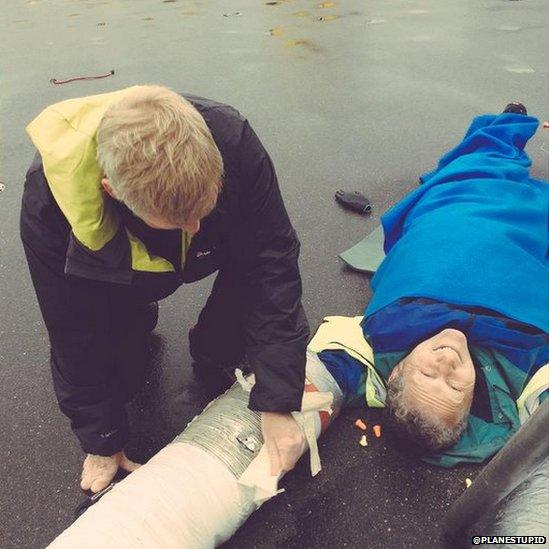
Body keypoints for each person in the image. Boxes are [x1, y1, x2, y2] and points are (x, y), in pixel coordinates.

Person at [20, 85, 309, 492]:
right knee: (116, 341)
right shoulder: (49, 208)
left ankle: (213, 340)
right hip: (119, 271)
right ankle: (134, 316)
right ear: (112, 191)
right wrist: (101, 439)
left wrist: (278, 399)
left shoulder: (233, 140)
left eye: (201, 211)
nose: (194, 227)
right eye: (179, 220)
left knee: (240, 311)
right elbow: (73, 329)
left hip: (207, 247)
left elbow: (271, 264)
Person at [313, 103, 548, 465]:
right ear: (473, 398)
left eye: (427, 373)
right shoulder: (525, 360)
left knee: (476, 167)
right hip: (517, 240)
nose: (448, 362)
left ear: (398, 370)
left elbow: (335, 364)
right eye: (455, 386)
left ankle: (503, 129)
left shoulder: (386, 336)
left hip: (453, 214)